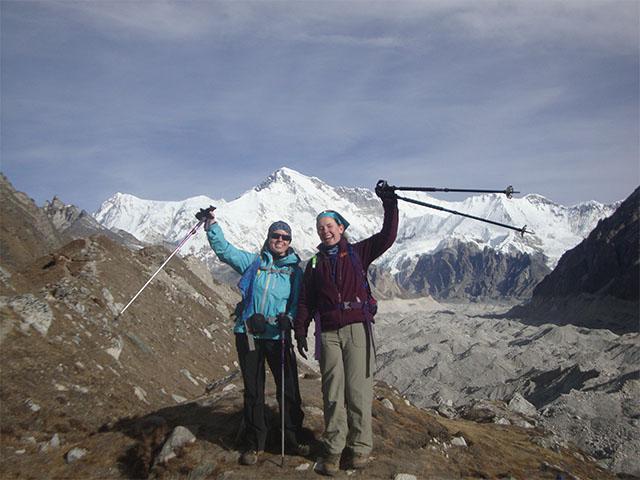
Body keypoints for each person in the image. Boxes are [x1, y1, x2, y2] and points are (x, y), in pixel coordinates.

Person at [293, 180, 398, 476]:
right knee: (333, 394)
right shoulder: (313, 264)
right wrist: (301, 329)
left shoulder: (358, 252)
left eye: (329, 226)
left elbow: (387, 236)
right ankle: (334, 449)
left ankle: (361, 449)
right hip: (327, 333)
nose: (325, 231)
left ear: (340, 228)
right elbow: (306, 300)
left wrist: (390, 204)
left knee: (359, 391)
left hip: (356, 330)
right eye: (320, 227)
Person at [203, 210, 308, 465]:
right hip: (248, 333)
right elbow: (225, 251)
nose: (280, 240)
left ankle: (292, 435)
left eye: (285, 237)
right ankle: (254, 443)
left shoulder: (295, 272)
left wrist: (289, 319)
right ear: (269, 238)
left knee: (288, 387)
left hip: (277, 335)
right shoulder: (253, 262)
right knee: (253, 391)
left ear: (290, 241)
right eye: (276, 235)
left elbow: (298, 303)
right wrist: (211, 225)